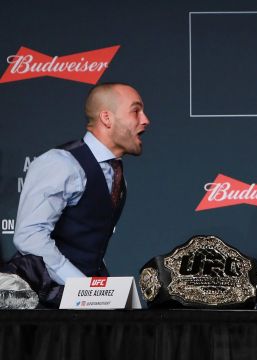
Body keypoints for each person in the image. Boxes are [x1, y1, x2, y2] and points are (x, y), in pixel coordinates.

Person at [4, 82, 150, 307]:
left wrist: (96, 291)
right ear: (107, 118)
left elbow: (86, 245)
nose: (145, 120)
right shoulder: (61, 163)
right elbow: (29, 237)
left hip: (80, 304)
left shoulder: (117, 175)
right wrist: (83, 287)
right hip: (37, 303)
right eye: (135, 111)